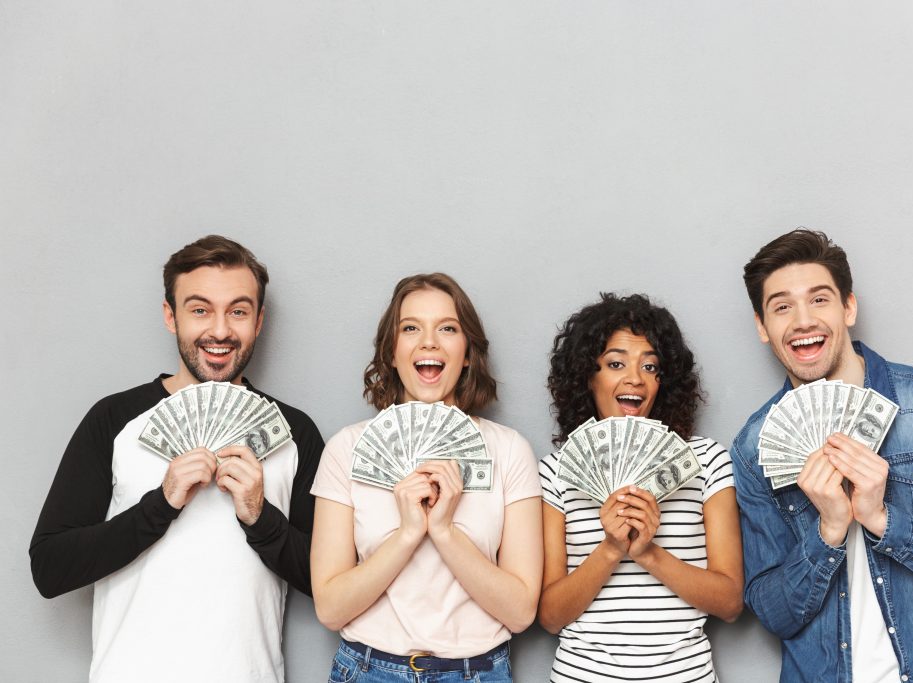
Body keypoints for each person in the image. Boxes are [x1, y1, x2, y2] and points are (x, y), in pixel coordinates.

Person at [29, 236, 324, 683]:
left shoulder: (295, 432)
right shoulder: (113, 418)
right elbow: (50, 569)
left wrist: (261, 518)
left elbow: (331, 588)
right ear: (171, 316)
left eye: (238, 311)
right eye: (200, 309)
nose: (220, 330)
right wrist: (160, 504)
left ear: (259, 321)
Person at [732, 229, 913, 682]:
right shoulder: (754, 448)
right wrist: (827, 532)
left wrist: (885, 520)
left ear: (849, 308)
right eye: (782, 307)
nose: (803, 320)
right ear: (763, 328)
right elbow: (772, 612)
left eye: (819, 299)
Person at [310, 273, 542, 682]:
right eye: (411, 328)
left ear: (467, 353)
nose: (429, 342)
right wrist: (407, 534)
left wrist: (445, 531)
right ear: (392, 352)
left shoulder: (509, 450)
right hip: (368, 670)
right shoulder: (346, 449)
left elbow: (521, 612)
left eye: (448, 329)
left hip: (479, 672)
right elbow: (329, 608)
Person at [538, 293, 743, 683]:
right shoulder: (556, 470)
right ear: (587, 375)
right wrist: (611, 548)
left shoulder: (707, 461)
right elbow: (550, 616)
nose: (635, 378)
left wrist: (648, 553)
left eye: (650, 366)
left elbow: (730, 603)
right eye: (616, 363)